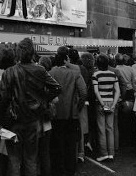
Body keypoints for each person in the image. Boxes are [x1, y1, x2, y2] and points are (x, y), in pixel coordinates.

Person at [0, 38, 61, 176]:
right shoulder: (40, 70)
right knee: (31, 159)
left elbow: (3, 99)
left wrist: (0, 121)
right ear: (32, 52)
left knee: (14, 160)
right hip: (33, 120)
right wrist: (42, 101)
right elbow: (56, 88)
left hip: (13, 120)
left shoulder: (9, 72)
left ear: (18, 53)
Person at [48, 47, 86, 176]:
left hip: (55, 114)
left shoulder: (50, 72)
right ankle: (70, 170)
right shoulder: (75, 73)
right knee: (70, 145)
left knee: (56, 144)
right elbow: (83, 92)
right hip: (71, 114)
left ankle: (58, 169)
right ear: (65, 60)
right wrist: (78, 107)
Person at [91, 54, 120, 162]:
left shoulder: (96, 74)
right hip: (111, 101)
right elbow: (117, 91)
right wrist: (113, 104)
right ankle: (111, 153)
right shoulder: (113, 74)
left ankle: (104, 153)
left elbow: (96, 91)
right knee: (110, 128)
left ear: (97, 63)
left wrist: (102, 104)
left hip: (100, 103)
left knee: (101, 129)